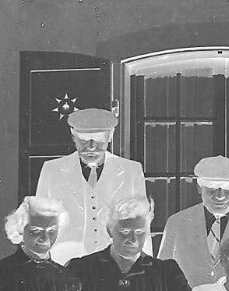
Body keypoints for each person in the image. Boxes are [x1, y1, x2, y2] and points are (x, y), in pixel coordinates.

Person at [36, 107, 149, 265]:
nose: (90, 146)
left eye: (98, 140)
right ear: (73, 137)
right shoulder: (52, 170)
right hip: (64, 264)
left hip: (115, 266)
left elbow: (141, 224)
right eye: (83, 140)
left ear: (110, 136)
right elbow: (39, 221)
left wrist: (145, 269)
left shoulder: (130, 170)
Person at [157, 156, 229, 289]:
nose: (219, 196)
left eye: (227, 188)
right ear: (199, 187)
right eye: (212, 188)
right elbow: (160, 274)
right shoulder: (177, 222)